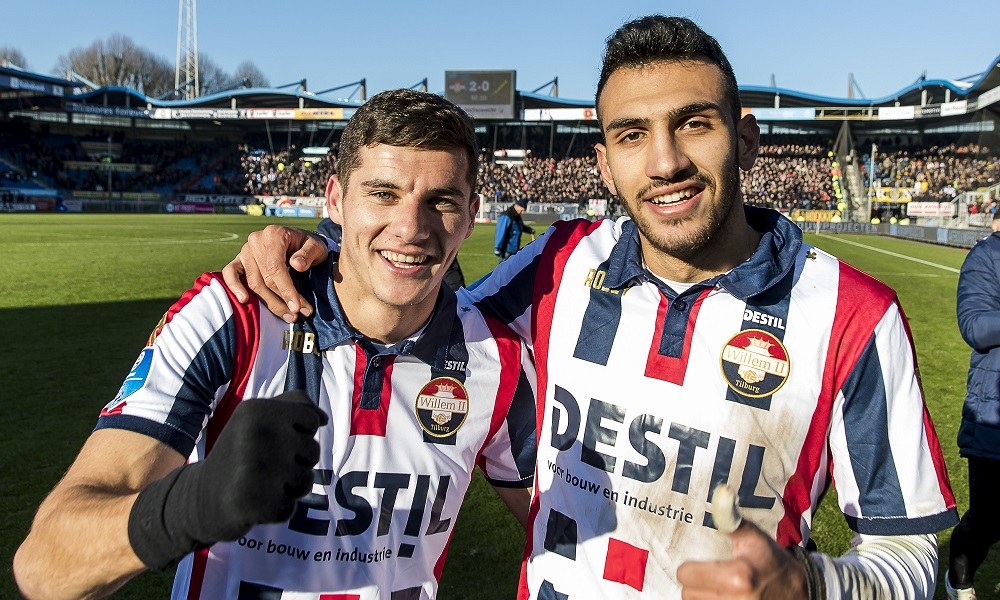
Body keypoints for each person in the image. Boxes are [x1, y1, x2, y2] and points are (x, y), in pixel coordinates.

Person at [221, 15, 958, 599]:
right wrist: (322, 246)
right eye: (632, 135)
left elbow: (910, 549)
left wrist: (815, 587)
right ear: (604, 164)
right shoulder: (562, 263)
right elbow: (422, 309)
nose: (665, 162)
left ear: (746, 138)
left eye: (694, 123)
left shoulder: (855, 316)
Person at [13, 89, 536, 600]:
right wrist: (191, 503)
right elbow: (44, 570)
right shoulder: (236, 315)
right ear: (336, 199)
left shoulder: (499, 360)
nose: (410, 228)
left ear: (471, 215)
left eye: (441, 201)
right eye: (383, 193)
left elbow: (564, 526)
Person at [945, 213, 1000, 600]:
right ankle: (960, 578)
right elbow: (975, 327)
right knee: (988, 519)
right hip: (994, 416)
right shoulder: (986, 256)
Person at [319, 217, 466, 290]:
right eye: (383, 195)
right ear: (336, 201)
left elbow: (454, 283)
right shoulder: (327, 229)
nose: (410, 232)